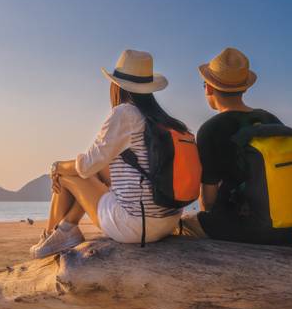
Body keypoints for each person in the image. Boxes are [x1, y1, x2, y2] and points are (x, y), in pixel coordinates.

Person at [30, 50, 186, 258]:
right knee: (98, 170)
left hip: (138, 226)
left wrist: (56, 166)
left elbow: (85, 165)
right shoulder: (164, 120)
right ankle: (66, 229)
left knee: (67, 174)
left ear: (117, 85)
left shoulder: (126, 113)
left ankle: (50, 236)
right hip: (168, 219)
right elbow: (95, 167)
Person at [179, 47, 292, 245]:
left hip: (241, 230)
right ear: (245, 87)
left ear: (209, 88)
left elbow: (208, 200)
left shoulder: (211, 129)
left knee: (182, 224)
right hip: (284, 229)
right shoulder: (270, 120)